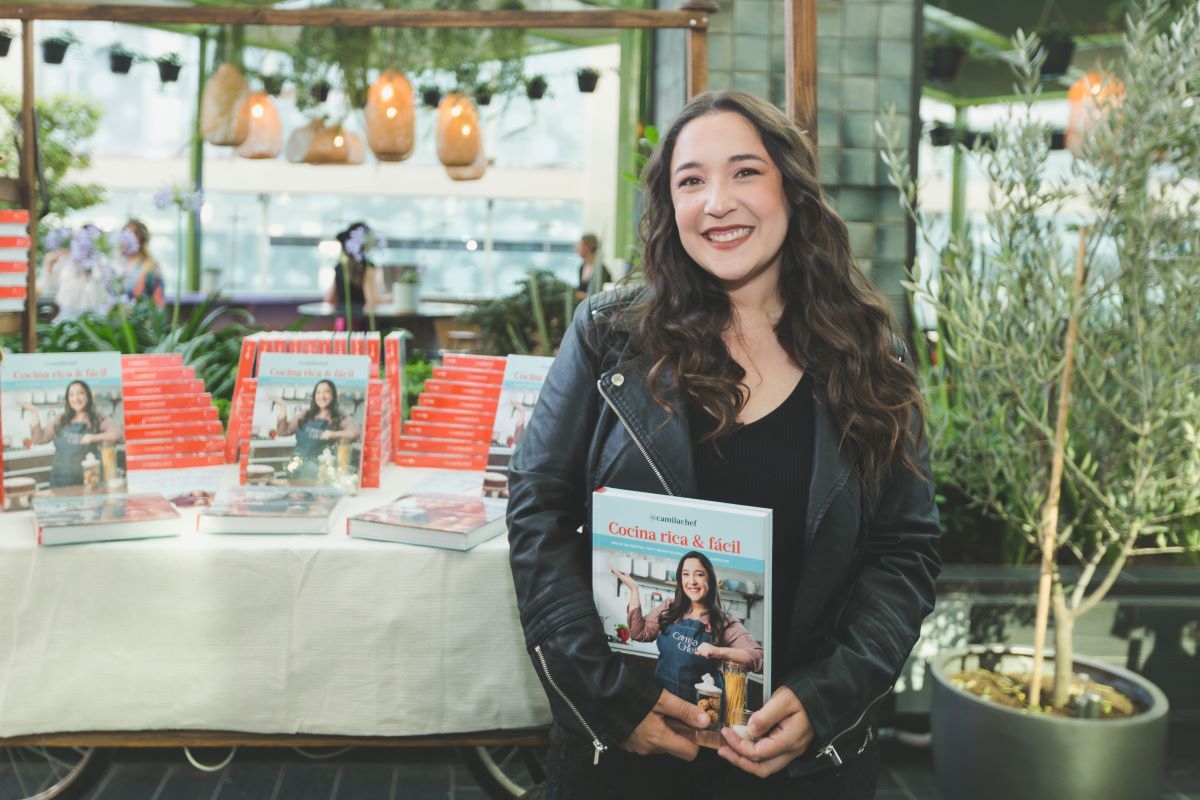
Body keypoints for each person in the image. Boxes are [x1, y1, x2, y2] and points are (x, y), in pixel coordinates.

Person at [506, 90, 940, 800]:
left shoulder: (866, 354)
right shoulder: (609, 336)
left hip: (802, 764)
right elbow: (536, 513)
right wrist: (612, 702)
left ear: (791, 190)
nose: (717, 202)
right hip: (628, 756)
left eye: (745, 172)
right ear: (669, 207)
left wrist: (827, 700)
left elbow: (906, 550)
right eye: (690, 180)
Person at [613, 550, 763, 700]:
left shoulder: (724, 622)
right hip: (664, 702)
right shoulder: (669, 608)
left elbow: (759, 658)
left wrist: (718, 651)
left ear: (710, 579)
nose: (692, 581)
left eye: (699, 574)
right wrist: (634, 590)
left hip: (703, 708)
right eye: (686, 574)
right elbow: (638, 633)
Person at [20, 380, 121, 488]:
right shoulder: (60, 419)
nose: (76, 398)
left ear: (88, 396)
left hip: (88, 481)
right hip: (59, 482)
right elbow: (38, 439)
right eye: (71, 395)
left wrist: (94, 437)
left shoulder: (97, 418)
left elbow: (118, 434)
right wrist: (34, 412)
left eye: (80, 393)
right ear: (68, 399)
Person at [271, 379, 360, 480]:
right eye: (318, 392)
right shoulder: (305, 414)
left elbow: (355, 433)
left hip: (319, 470)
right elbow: (283, 431)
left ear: (333, 395)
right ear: (314, 396)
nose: (322, 396)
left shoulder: (340, 417)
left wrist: (333, 434)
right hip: (296, 465)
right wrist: (283, 406)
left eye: (326, 392)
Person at [55, 224, 116, 321]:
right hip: (68, 313)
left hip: (94, 315)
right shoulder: (67, 260)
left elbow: (105, 286)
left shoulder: (101, 261)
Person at [324, 221, 381, 322]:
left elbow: (330, 299)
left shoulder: (340, 266)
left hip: (342, 322)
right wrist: (394, 297)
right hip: (362, 323)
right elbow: (372, 300)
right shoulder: (367, 266)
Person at [116, 219, 165, 307]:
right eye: (127, 233)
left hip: (143, 316)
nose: (130, 237)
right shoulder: (118, 264)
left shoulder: (150, 266)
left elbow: (159, 300)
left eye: (135, 233)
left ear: (142, 238)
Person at [575, 233, 610, 299]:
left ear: (588, 247)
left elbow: (603, 294)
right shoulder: (582, 267)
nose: (577, 248)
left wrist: (585, 296)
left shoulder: (601, 270)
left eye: (580, 245)